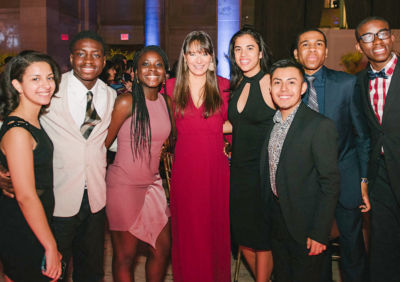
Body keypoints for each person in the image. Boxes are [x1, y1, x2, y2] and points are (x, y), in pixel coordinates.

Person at [293, 28, 370, 282]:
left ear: (326, 52)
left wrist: (363, 180)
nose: (312, 49)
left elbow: (362, 135)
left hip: (345, 182)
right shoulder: (286, 88)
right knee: (315, 252)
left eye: (318, 44)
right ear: (296, 53)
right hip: (308, 186)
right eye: (305, 44)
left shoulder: (347, 84)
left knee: (353, 250)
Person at [260, 59, 340, 282]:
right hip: (278, 221)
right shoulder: (273, 124)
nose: (284, 89)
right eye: (277, 82)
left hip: (307, 226)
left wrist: (319, 232)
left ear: (303, 88)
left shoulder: (319, 125)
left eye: (291, 82)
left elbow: (330, 182)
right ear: (270, 88)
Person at [164, 30, 231, 282]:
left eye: (203, 53)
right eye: (193, 53)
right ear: (184, 56)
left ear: (211, 56)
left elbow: (236, 123)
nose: (198, 59)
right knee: (189, 229)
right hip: (186, 168)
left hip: (215, 168)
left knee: (213, 228)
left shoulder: (224, 86)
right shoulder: (170, 87)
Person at [105, 45, 172, 282]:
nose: (152, 69)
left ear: (166, 71)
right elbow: (103, 143)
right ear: (134, 71)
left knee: (162, 249)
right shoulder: (126, 102)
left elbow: (168, 141)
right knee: (126, 256)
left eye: (158, 64)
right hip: (123, 186)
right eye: (145, 64)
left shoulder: (167, 103)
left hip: (153, 185)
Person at [0, 51, 63, 281]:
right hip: (22, 225)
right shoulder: (18, 130)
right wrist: (50, 246)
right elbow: (25, 196)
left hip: (37, 220)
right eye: (35, 79)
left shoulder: (32, 119)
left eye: (49, 77)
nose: (46, 85)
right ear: (17, 84)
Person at [355, 16, 400, 282]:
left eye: (382, 33)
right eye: (368, 37)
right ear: (360, 47)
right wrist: (364, 179)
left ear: (392, 37)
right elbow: (365, 134)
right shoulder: (359, 82)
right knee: (383, 247)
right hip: (380, 175)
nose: (378, 41)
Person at [227, 27, 275, 281]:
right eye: (238, 49)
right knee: (242, 235)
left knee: (262, 238)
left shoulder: (270, 81)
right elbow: (238, 123)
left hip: (263, 172)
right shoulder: (240, 84)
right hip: (239, 172)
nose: (243, 54)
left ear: (260, 52)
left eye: (249, 48)